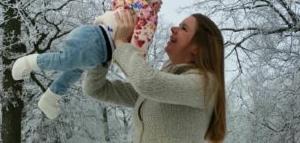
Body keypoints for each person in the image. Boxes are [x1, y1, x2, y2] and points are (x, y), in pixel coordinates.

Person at [11, 0, 170, 119]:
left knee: (72, 72)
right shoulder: (146, 16)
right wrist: (136, 59)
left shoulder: (128, 0)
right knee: (65, 60)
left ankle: (51, 97)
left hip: (94, 41)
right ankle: (29, 62)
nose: (161, 2)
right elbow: (141, 41)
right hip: (96, 44)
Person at [83, 11, 227, 142]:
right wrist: (105, 50)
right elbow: (95, 88)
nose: (173, 28)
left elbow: (146, 82)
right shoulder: (159, 91)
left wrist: (120, 43)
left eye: (184, 28)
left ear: (198, 47)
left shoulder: (206, 85)